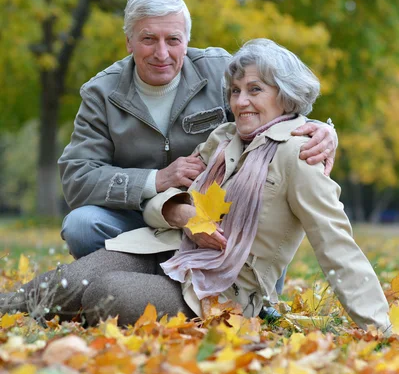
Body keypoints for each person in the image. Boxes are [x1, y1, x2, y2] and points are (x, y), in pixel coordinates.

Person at [1, 39, 391, 336]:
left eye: (255, 90)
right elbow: (159, 204)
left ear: (285, 95)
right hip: (169, 250)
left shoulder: (300, 154)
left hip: (222, 291)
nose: (240, 102)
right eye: (235, 91)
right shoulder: (223, 139)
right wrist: (178, 211)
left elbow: (336, 243)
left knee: (105, 293)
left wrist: (379, 329)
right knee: (72, 278)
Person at [59, 0, 337, 260]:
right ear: (129, 42)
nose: (162, 53)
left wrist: (321, 129)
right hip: (137, 216)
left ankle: (251, 294)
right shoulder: (101, 93)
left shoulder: (221, 70)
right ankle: (131, 281)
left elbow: (271, 110)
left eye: (173, 40)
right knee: (81, 226)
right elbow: (77, 177)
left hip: (217, 218)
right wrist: (156, 180)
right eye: (148, 39)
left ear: (187, 40)